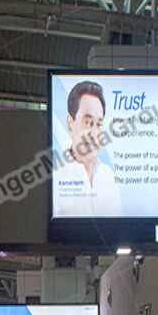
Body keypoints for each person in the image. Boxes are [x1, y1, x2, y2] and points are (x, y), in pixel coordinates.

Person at [54, 79, 123, 218]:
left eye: (98, 124)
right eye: (88, 122)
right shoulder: (54, 176)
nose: (94, 133)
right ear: (70, 122)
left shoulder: (108, 176)